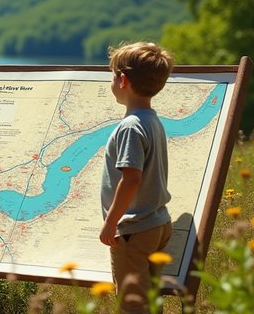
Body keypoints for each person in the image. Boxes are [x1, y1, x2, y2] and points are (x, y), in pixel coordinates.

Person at [98, 42, 174, 314]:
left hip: (134, 230)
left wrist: (111, 223)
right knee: (150, 300)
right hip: (157, 224)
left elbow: (131, 180)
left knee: (133, 305)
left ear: (123, 80)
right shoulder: (152, 120)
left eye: (112, 75)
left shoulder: (130, 127)